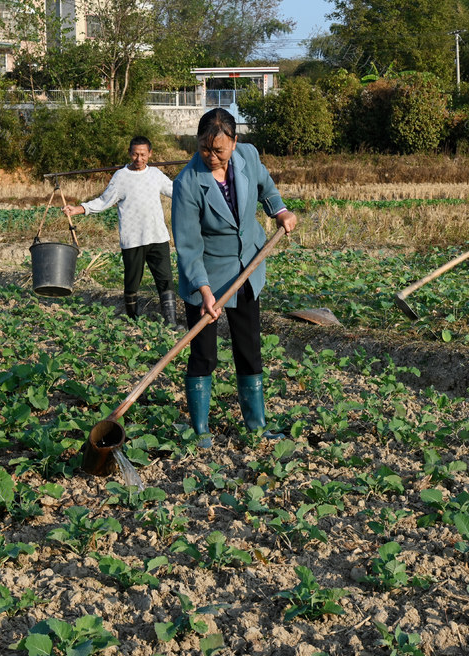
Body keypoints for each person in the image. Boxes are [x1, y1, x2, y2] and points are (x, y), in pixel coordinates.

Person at [171, 108, 298, 448]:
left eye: (219, 150)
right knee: (204, 354)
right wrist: (204, 290)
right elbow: (188, 245)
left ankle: (257, 425)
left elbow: (266, 188)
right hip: (206, 276)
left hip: (247, 270)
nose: (211, 156)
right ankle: (201, 431)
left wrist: (280, 211)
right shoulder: (187, 183)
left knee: (249, 347)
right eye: (205, 149)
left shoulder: (248, 156)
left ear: (234, 142)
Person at [63, 136, 177, 324]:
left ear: (150, 154)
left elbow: (177, 191)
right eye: (135, 154)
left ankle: (171, 322)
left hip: (158, 237)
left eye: (143, 154)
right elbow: (103, 201)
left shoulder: (156, 174)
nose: (139, 159)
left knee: (165, 279)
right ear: (129, 153)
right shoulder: (121, 177)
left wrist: (200, 192)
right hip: (133, 239)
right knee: (132, 282)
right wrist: (79, 209)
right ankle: (133, 321)